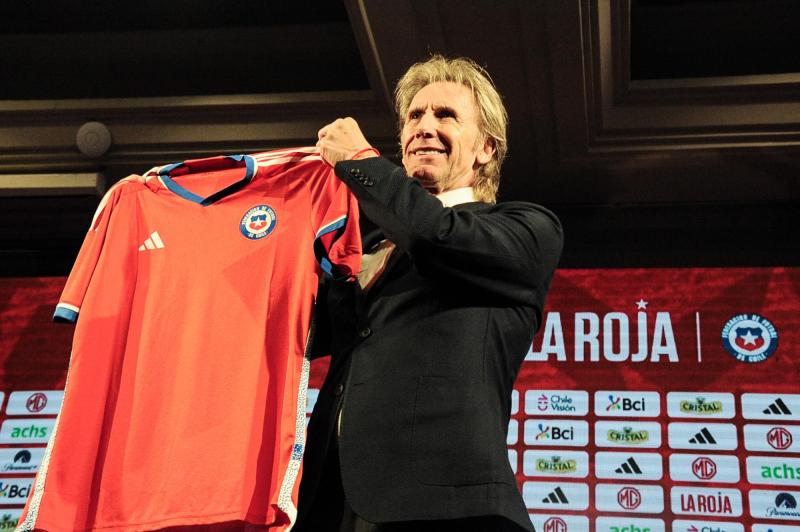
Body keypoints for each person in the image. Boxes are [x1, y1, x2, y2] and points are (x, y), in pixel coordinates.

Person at [296, 55, 563, 532]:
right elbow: (301, 333)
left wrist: (360, 163)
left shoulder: (527, 229)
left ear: (485, 148)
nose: (424, 127)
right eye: (414, 117)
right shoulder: (365, 247)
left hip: (445, 511)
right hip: (331, 504)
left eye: (445, 116)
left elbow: (437, 235)